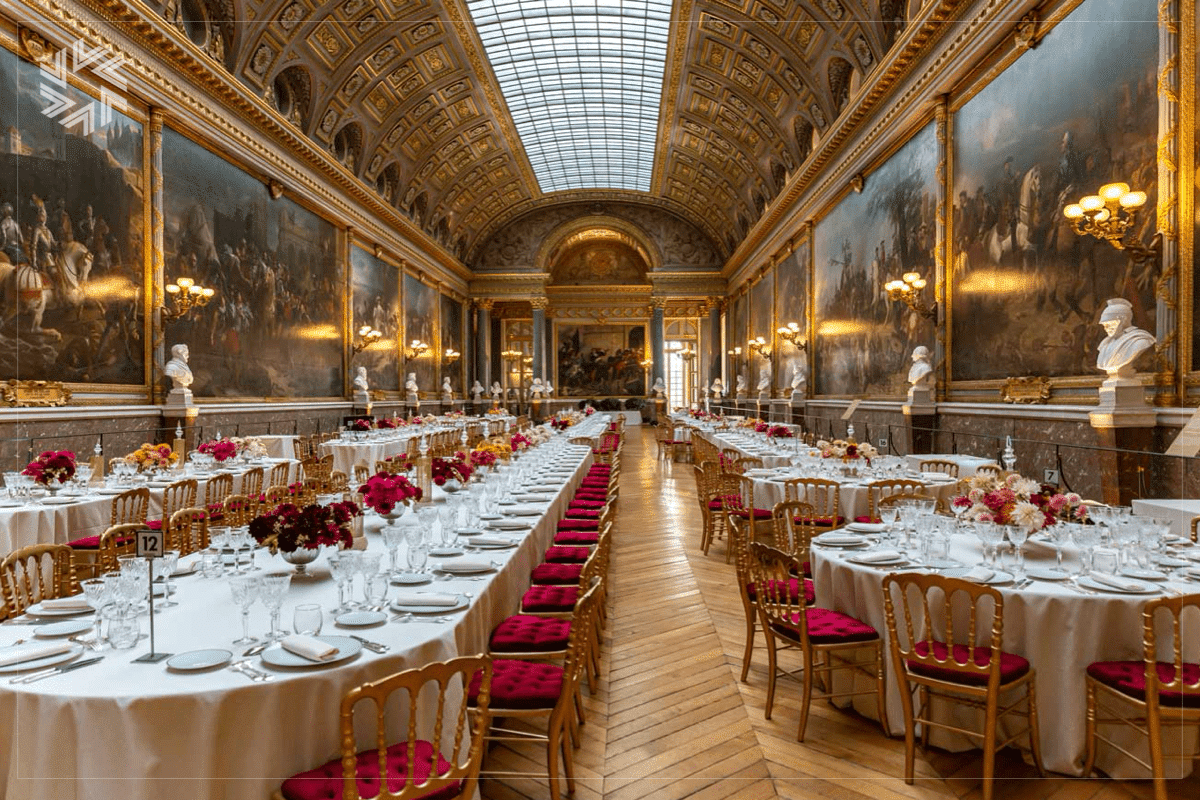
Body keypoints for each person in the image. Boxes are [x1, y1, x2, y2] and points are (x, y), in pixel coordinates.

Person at [1095, 298, 1155, 378]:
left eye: (1110, 324)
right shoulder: (1105, 344)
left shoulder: (1140, 341)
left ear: (1124, 320)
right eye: (1105, 325)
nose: (1106, 328)